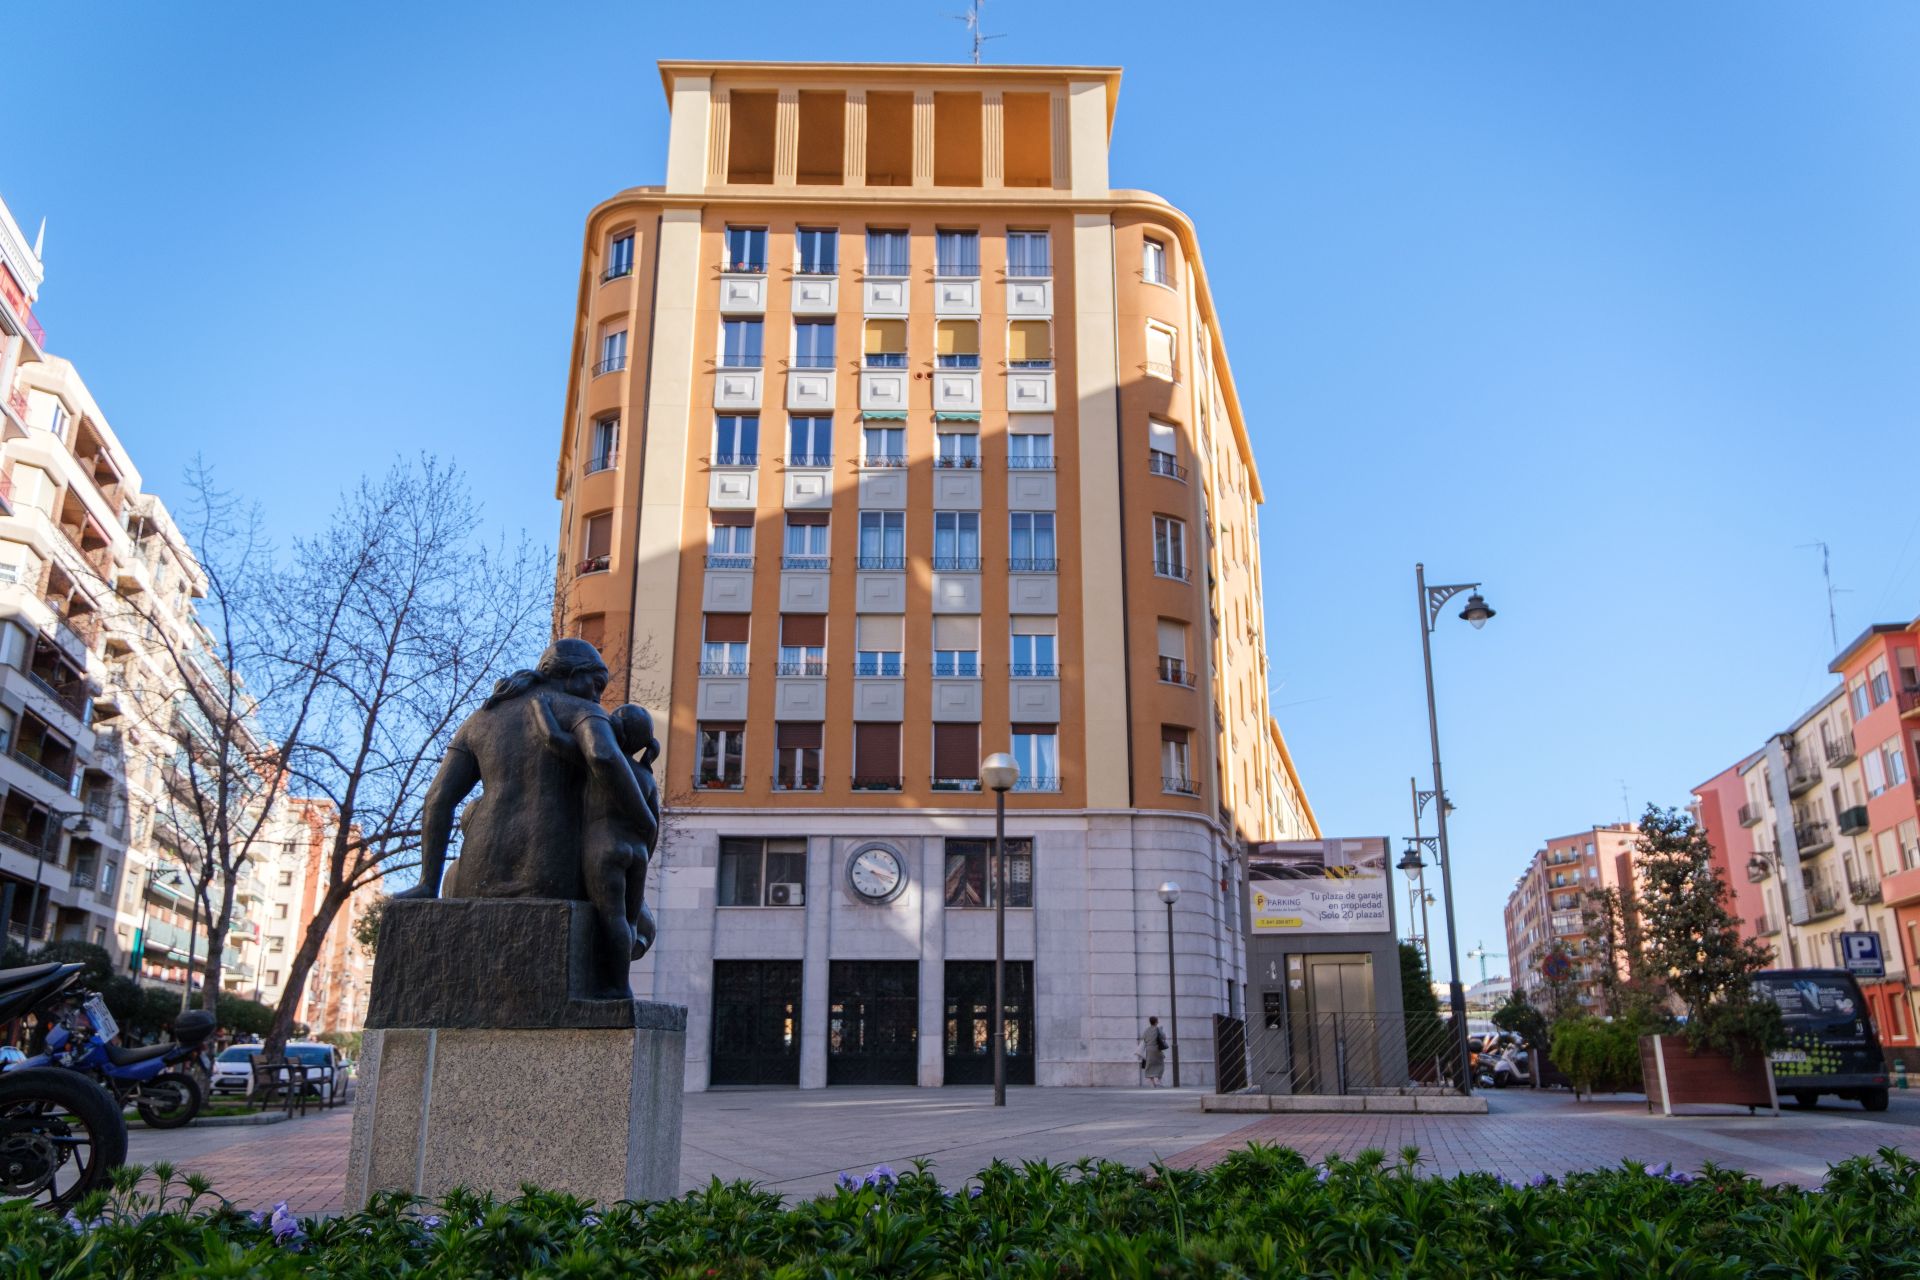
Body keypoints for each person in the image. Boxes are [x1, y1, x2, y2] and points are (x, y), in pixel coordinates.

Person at [534, 699, 662, 983]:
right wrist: (644, 856)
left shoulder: (599, 762)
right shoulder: (646, 777)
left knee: (612, 917)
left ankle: (616, 987)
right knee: (629, 921)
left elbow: (553, 738)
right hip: (638, 853)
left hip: (605, 847)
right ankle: (620, 981)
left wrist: (539, 706)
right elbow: (653, 827)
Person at [1139, 1016, 1168, 1086]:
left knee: (1149, 1065)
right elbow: (1164, 1037)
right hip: (1156, 1049)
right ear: (1156, 1022)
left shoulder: (1146, 1030)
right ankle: (1159, 1080)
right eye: (1157, 1021)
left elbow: (1143, 1038)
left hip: (1148, 1050)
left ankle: (1152, 1082)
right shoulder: (1158, 1029)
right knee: (1161, 1063)